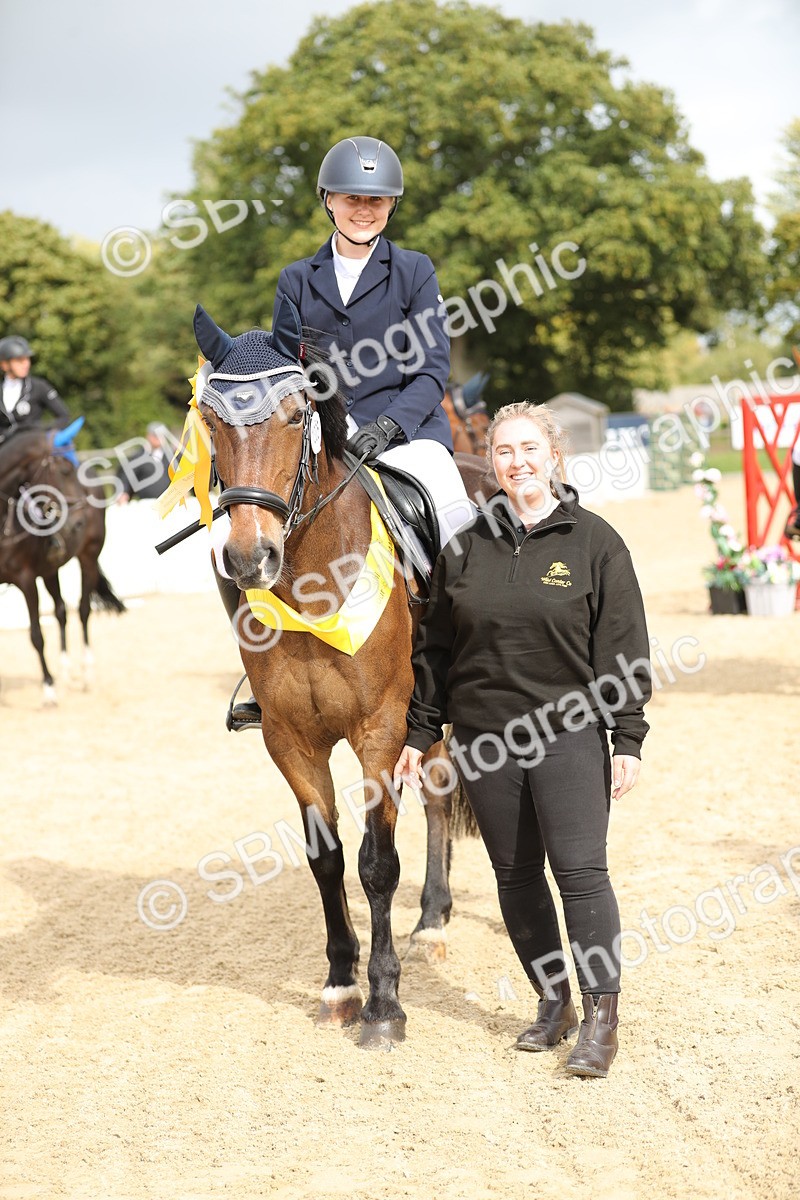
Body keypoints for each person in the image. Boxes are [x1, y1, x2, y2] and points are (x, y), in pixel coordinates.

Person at [393, 401, 652, 1079]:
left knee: (581, 873)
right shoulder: (464, 548)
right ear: (494, 464)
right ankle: (554, 1001)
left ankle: (601, 1020)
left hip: (566, 735)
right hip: (484, 742)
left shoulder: (594, 542)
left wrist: (627, 736)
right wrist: (422, 734)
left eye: (529, 448)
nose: (517, 462)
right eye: (504, 451)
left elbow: (624, 649)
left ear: (554, 455)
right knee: (514, 875)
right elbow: (435, 652)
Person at [218, 135, 472, 730]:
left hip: (407, 430)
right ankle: (262, 674)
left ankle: (461, 652)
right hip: (322, 431)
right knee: (234, 536)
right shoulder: (296, 279)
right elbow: (284, 367)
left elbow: (433, 365)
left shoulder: (414, 271)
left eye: (378, 200)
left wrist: (388, 426)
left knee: (453, 511)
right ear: (329, 200)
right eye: (353, 197)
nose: (365, 208)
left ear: (391, 207)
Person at [0, 335, 70, 435]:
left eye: (27, 359)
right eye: (19, 360)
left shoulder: (39, 386)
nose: (26, 364)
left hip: (32, 446)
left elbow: (64, 417)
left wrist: (38, 429)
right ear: (4, 365)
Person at [115, 422, 172, 503]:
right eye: (155, 435)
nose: (158, 438)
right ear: (148, 436)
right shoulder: (138, 457)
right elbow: (126, 476)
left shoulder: (171, 457)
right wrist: (124, 492)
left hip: (169, 503)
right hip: (146, 504)